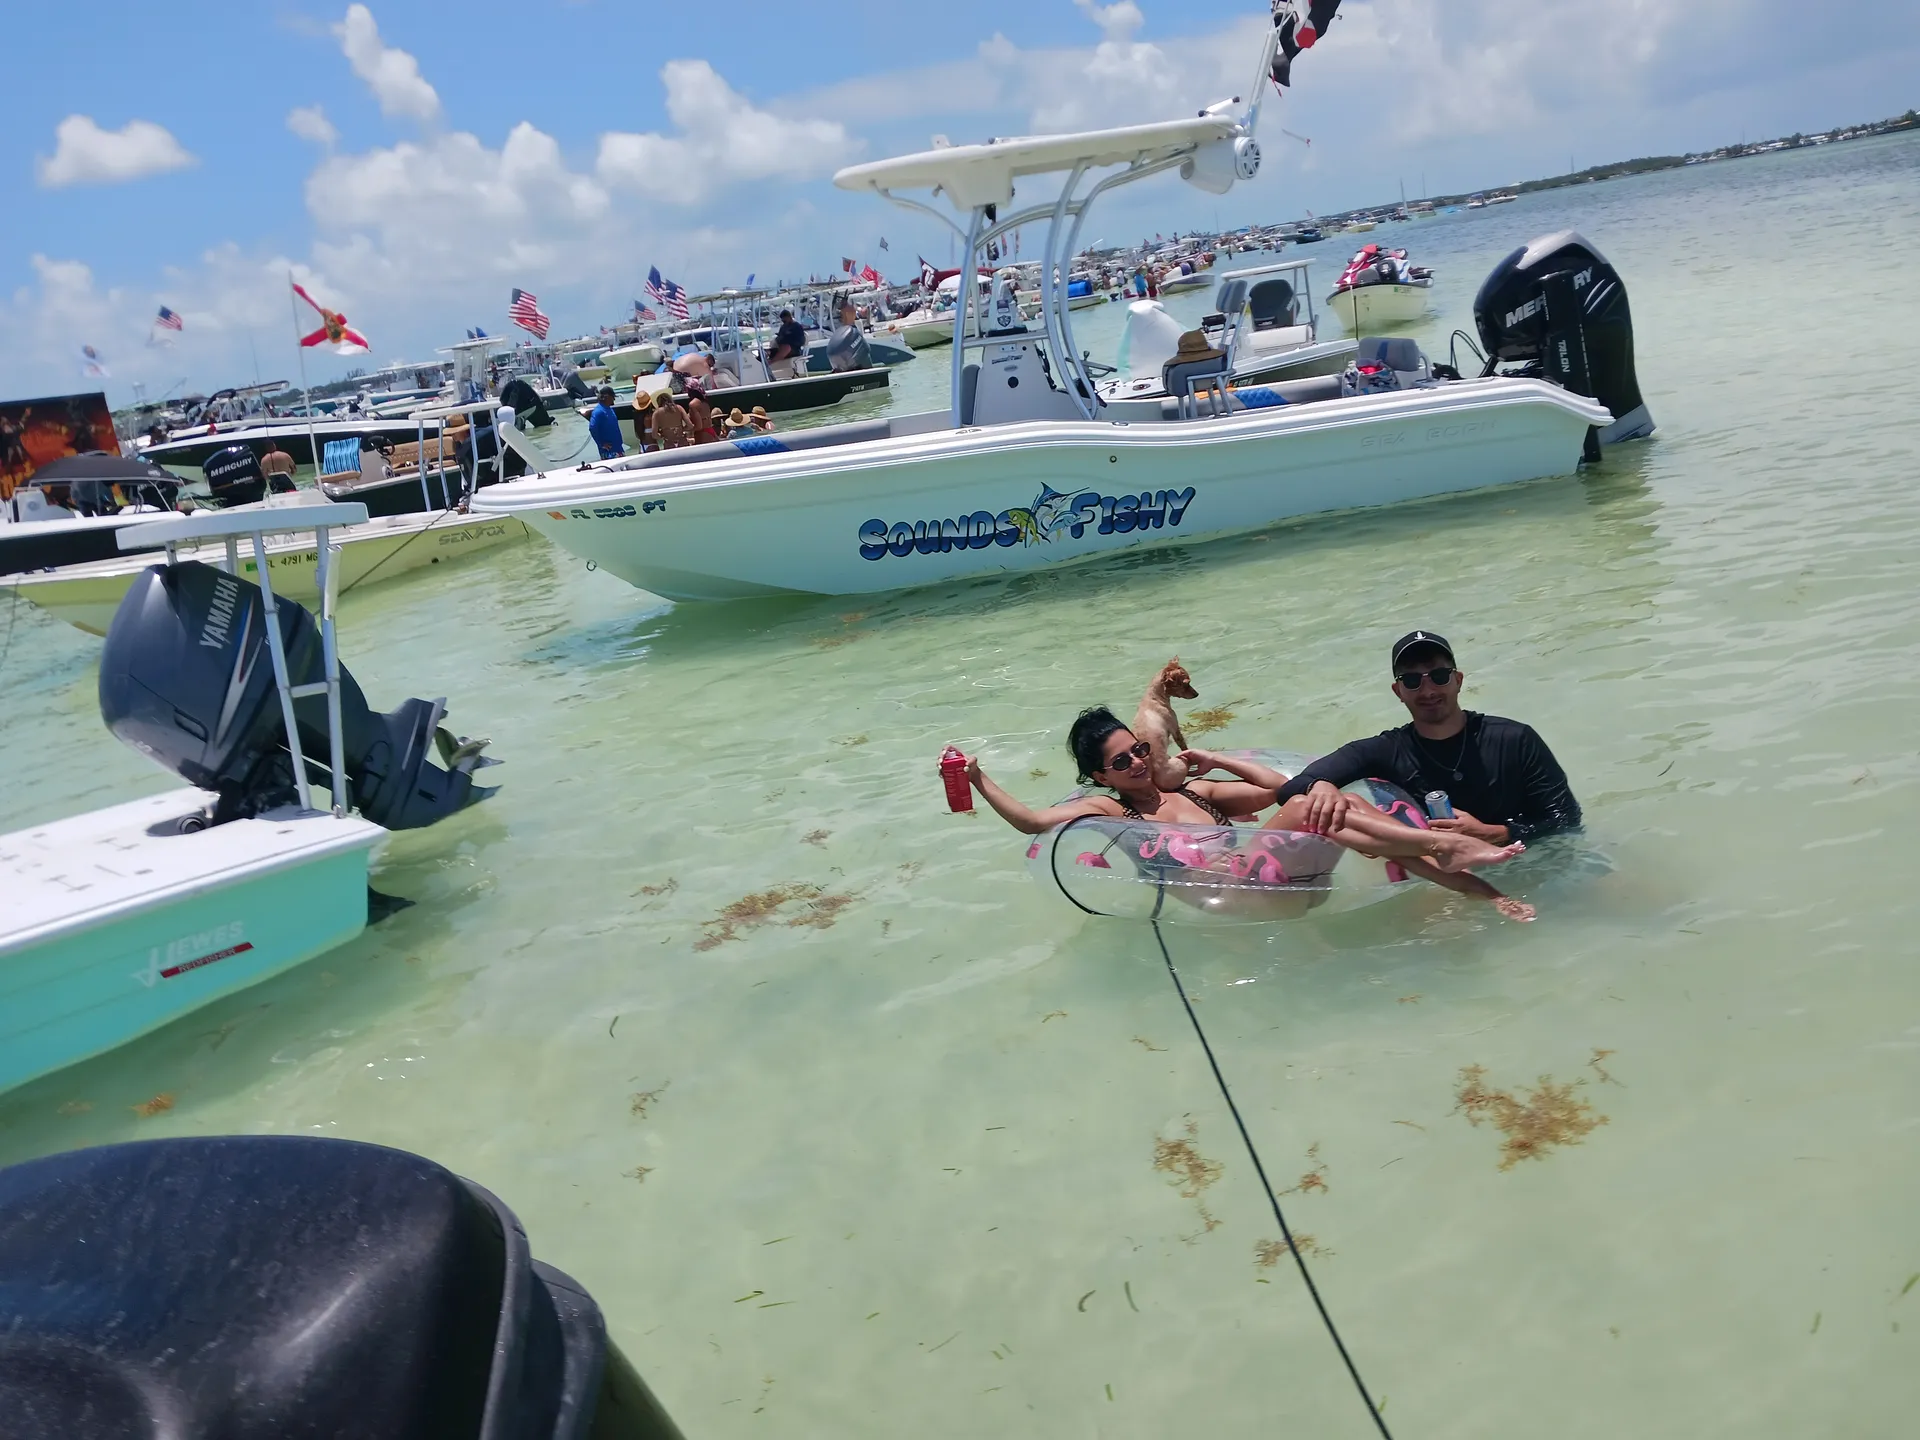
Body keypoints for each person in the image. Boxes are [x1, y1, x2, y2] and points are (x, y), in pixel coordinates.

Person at [959, 706, 1535, 921]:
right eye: (1120, 760)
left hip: (1291, 888)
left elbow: (1281, 790)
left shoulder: (1199, 792)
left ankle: (1480, 890)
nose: (1136, 762)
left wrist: (1217, 759)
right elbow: (1032, 823)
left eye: (1138, 749)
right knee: (1319, 804)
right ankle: (1443, 846)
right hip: (1241, 899)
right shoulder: (1108, 809)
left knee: (1337, 802)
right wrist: (977, 779)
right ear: (1101, 775)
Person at [1276, 631, 1582, 846]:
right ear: (1398, 691)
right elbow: (1292, 789)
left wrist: (1494, 833)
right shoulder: (1385, 751)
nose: (1428, 690)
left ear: (1458, 680)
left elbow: (1566, 819)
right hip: (1451, 875)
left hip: (1525, 860)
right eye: (1411, 680)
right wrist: (1320, 785)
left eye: (1439, 676)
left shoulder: (1515, 739)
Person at [768, 308, 809, 381]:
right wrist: (780, 339)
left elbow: (801, 341)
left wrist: (790, 341)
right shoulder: (783, 327)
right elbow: (779, 338)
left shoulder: (797, 326)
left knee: (787, 347)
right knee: (767, 351)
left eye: (785, 320)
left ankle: (771, 362)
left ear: (789, 317)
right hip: (781, 347)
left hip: (793, 349)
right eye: (783, 321)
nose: (784, 322)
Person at [588, 386, 625, 459]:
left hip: (618, 449)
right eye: (612, 397)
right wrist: (601, 444)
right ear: (606, 397)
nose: (614, 399)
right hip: (609, 452)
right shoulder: (598, 411)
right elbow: (592, 427)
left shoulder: (610, 409)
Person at [630, 387, 656, 452]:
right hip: (652, 445)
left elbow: (638, 435)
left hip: (642, 445)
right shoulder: (650, 417)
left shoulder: (637, 417)